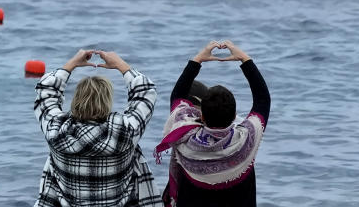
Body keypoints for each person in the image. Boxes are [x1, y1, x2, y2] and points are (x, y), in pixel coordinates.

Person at [34, 48, 159, 207]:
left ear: (76, 99)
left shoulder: (56, 130)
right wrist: (120, 65)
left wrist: (71, 64)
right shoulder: (125, 131)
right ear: (107, 101)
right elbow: (146, 92)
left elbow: (46, 91)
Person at [155, 41, 270, 207]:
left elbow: (178, 96)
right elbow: (263, 99)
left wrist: (198, 60)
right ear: (234, 117)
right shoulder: (246, 141)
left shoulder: (184, 140)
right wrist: (244, 59)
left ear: (201, 115)